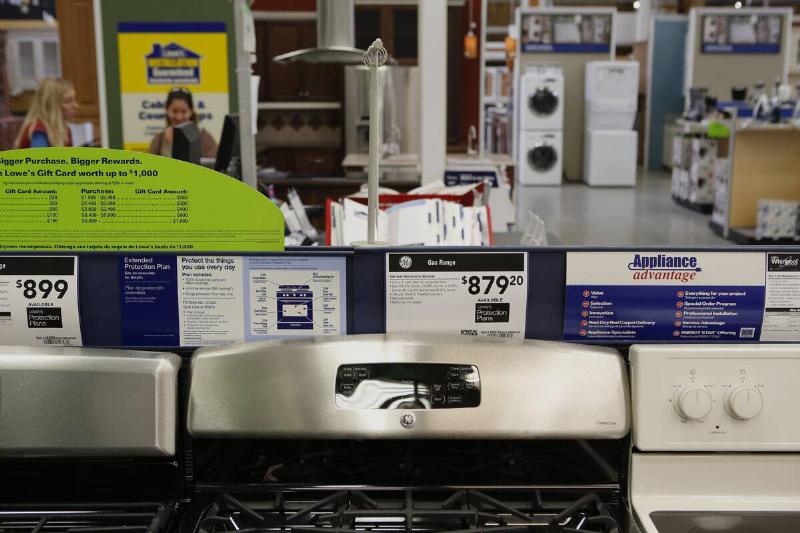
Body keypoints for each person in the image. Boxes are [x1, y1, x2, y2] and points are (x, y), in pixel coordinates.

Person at [149, 87, 217, 158]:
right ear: (167, 110)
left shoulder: (205, 139)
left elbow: (215, 166)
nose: (179, 117)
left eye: (183, 112)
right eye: (174, 111)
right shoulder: (159, 140)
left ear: (191, 111)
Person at [14, 78, 79, 148]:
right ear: (51, 105)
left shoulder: (64, 129)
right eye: (68, 101)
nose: (76, 106)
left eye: (74, 99)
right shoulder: (39, 130)